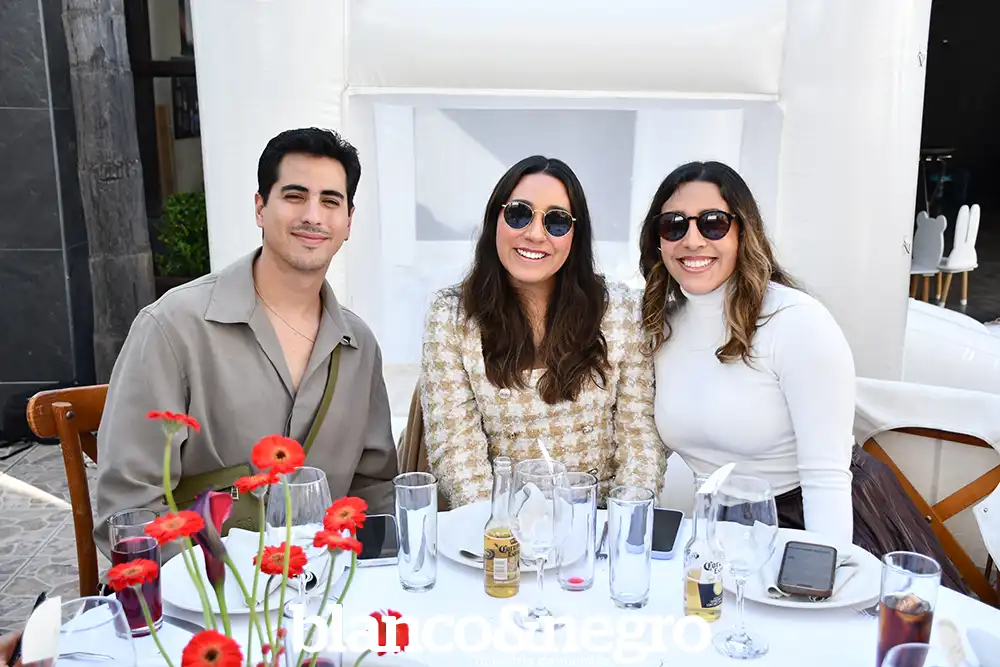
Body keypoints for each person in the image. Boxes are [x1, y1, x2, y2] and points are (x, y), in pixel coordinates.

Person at [638, 160, 966, 591]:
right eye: (674, 225)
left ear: (743, 232)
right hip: (726, 533)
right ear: (658, 240)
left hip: (823, 524)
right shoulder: (658, 325)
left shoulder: (795, 322)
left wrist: (819, 577)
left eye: (713, 223)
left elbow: (825, 477)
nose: (692, 239)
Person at [94, 128, 398, 557]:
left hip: (326, 585)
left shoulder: (358, 346)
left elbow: (374, 491)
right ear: (260, 207)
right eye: (294, 196)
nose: (313, 215)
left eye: (330, 201)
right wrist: (223, 580)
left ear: (348, 221)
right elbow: (129, 511)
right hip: (207, 587)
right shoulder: (173, 327)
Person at [419, 155, 669, 508]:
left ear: (575, 236)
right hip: (500, 525)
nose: (535, 234)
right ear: (494, 220)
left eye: (557, 221)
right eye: (519, 214)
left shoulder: (622, 310)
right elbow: (457, 451)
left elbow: (639, 439)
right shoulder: (451, 316)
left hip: (600, 523)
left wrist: (625, 524)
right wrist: (499, 529)